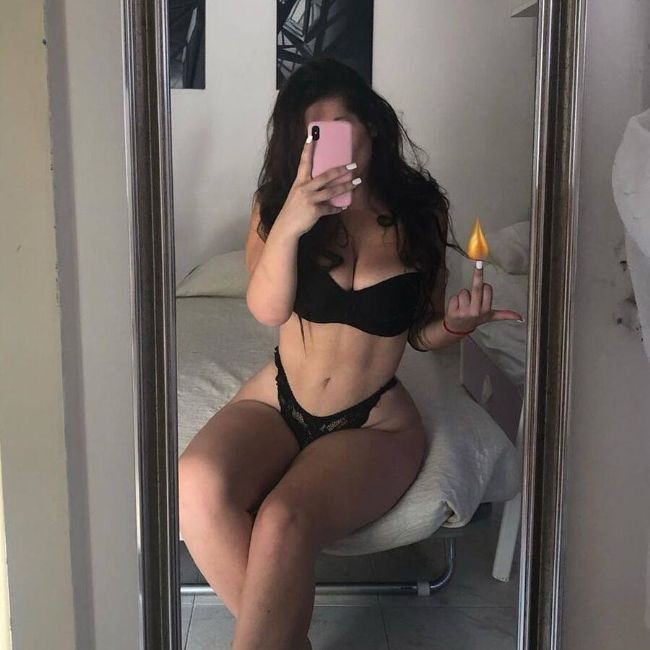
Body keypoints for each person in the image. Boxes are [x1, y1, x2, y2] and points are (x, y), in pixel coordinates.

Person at [178, 57, 524, 650]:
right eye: (309, 135)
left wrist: (456, 326)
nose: (324, 147)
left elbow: (420, 334)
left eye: (336, 129)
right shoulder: (277, 206)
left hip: (373, 422)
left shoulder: (419, 210)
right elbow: (267, 309)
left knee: (284, 519)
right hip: (277, 399)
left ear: (372, 126)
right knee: (194, 484)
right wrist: (292, 222)